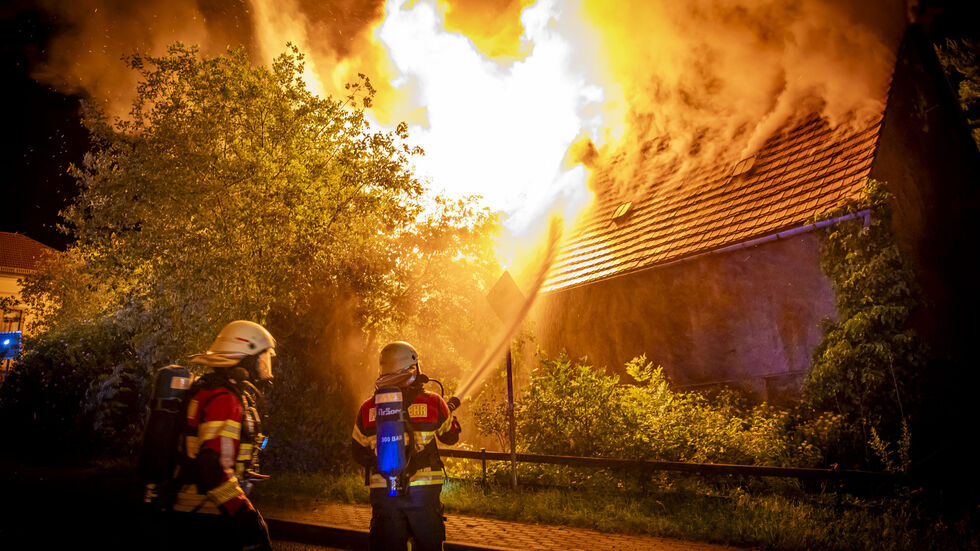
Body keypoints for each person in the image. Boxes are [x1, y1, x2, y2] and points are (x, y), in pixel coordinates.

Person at [169, 320, 277, 551]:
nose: (264, 368)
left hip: (195, 510)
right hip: (207, 514)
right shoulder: (224, 398)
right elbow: (213, 467)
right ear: (244, 358)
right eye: (261, 359)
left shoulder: (210, 390)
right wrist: (244, 513)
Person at [351, 341, 462, 551]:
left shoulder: (368, 408)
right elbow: (450, 437)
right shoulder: (433, 402)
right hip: (423, 493)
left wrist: (386, 463)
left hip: (386, 493)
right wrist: (451, 418)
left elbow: (357, 451)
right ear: (413, 369)